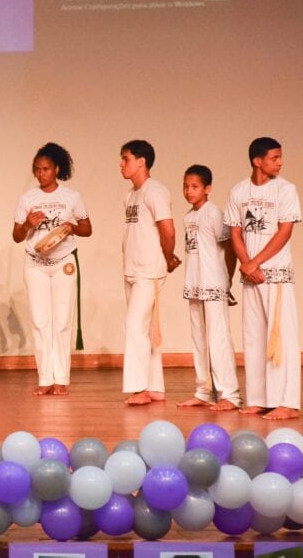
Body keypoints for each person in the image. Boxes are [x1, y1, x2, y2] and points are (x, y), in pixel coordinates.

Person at [226, 137, 302, 420]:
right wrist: (247, 264)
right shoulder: (238, 190)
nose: (280, 162)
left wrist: (254, 262)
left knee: (282, 338)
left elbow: (285, 231)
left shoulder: (286, 189)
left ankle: (287, 402)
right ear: (257, 161)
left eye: (280, 157)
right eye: (274, 158)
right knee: (254, 338)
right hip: (251, 276)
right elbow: (235, 232)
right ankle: (259, 398)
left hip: (275, 274)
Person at [12, 142, 92, 397]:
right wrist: (28, 224)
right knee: (40, 321)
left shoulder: (71, 197)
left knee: (62, 321)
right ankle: (45, 378)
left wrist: (71, 226)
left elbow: (87, 229)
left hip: (63, 262)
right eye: (37, 169)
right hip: (35, 263)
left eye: (45, 169)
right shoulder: (27, 199)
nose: (40, 173)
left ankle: (61, 379)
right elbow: (16, 236)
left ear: (57, 169)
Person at [119, 140, 180, 406]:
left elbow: (168, 230)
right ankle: (155, 387)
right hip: (132, 269)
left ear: (141, 161)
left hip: (149, 271)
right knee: (145, 329)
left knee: (134, 325)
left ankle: (139, 388)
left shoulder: (155, 191)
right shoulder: (130, 195)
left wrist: (168, 257)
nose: (121, 164)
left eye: (126, 159)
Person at [176, 165, 241, 411]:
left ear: (207, 188)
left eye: (194, 186)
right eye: (186, 186)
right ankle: (204, 391)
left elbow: (230, 249)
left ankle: (229, 394)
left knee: (218, 339)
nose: (189, 191)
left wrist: (226, 281)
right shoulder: (188, 217)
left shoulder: (214, 214)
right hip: (195, 284)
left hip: (213, 283)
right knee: (199, 340)